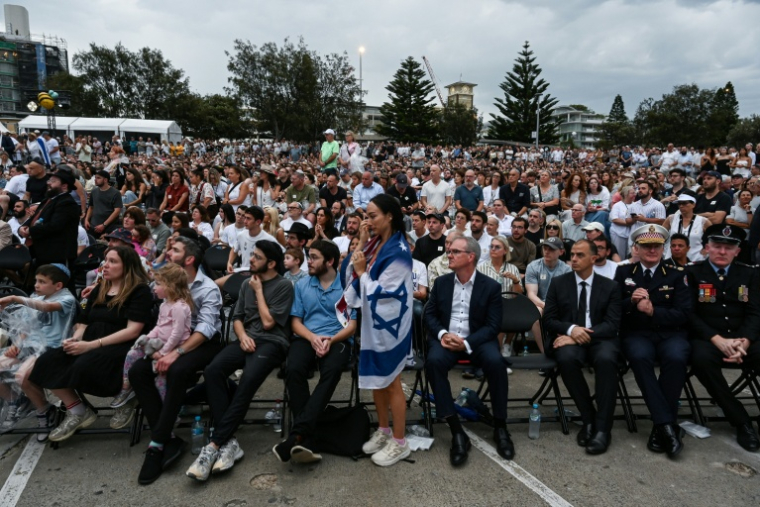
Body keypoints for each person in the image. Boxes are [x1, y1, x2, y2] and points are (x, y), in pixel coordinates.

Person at [186, 241, 293, 481]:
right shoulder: (246, 283)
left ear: (271, 263)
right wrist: (242, 336)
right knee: (213, 370)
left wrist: (258, 292)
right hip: (246, 340)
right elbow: (237, 317)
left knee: (248, 381)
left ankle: (213, 445)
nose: (251, 259)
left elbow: (268, 323)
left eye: (256, 256)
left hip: (272, 343)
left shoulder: (284, 286)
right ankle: (230, 442)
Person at [28, 247, 152, 442]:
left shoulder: (139, 290)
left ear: (127, 266)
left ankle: (124, 399)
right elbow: (83, 321)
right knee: (47, 361)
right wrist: (76, 338)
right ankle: (77, 410)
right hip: (90, 340)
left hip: (123, 344)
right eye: (105, 261)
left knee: (84, 365)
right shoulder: (101, 288)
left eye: (112, 262)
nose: (105, 266)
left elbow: (133, 330)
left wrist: (91, 345)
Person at [132, 237, 223, 485]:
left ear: (189, 259)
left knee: (176, 371)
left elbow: (205, 329)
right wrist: (156, 348)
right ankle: (169, 438)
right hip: (172, 340)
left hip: (201, 344)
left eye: (175, 250)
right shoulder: (168, 282)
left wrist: (176, 352)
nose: (168, 253)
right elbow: (163, 321)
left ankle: (157, 443)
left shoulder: (207, 287)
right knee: (138, 370)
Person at [425, 236, 513, 465]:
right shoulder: (442, 283)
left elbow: (493, 325)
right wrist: (444, 334)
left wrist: (465, 343)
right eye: (449, 251)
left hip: (476, 341)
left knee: (496, 362)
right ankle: (456, 431)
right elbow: (429, 315)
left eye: (455, 252)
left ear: (470, 257)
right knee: (433, 362)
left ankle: (501, 426)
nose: (449, 255)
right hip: (447, 340)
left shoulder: (490, 286)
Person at [272, 240, 357, 464]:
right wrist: (313, 338)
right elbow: (296, 322)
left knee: (332, 370)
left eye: (314, 257)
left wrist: (330, 339)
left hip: (337, 338)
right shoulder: (302, 285)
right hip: (307, 337)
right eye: (309, 256)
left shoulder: (347, 286)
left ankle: (297, 434)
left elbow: (352, 326)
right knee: (293, 368)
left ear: (329, 261)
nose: (308, 261)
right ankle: (305, 437)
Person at [344, 194, 413, 467]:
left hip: (390, 325)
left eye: (373, 216)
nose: (367, 221)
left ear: (390, 216)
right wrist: (360, 243)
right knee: (376, 378)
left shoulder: (399, 251)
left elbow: (386, 293)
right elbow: (350, 269)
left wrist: (362, 274)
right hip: (373, 324)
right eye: (366, 216)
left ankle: (399, 441)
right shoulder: (375, 242)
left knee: (392, 380)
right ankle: (384, 430)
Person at [614, 225, 691, 457]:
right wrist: (631, 303)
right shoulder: (624, 273)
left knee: (677, 357)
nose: (652, 250)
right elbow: (613, 308)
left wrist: (652, 311)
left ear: (663, 248)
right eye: (646, 246)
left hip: (670, 333)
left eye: (657, 246)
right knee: (638, 357)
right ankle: (668, 425)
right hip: (637, 333)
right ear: (636, 248)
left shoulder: (677, 273)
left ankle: (661, 427)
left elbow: (684, 313)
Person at [543, 239, 622, 455]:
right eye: (573, 255)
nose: (574, 259)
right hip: (569, 338)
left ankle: (603, 429)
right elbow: (549, 319)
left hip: (600, 339)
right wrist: (571, 330)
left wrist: (580, 334)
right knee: (566, 358)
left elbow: (612, 324)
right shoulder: (559, 283)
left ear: (594, 258)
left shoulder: (610, 286)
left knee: (607, 359)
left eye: (580, 255)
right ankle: (588, 418)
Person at [687, 224, 760, 452]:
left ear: (737, 251)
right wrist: (716, 339)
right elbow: (689, 314)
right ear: (707, 247)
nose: (722, 251)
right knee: (700, 359)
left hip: (743, 339)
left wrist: (745, 341)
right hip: (710, 340)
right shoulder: (693, 273)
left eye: (728, 248)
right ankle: (741, 421)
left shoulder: (749, 274)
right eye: (717, 246)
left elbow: (755, 312)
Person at [0, 264, 77, 438]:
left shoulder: (66, 299)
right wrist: (16, 345)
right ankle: (17, 401)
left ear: (58, 286)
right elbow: (26, 329)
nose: (36, 285)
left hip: (51, 349)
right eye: (36, 280)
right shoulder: (36, 296)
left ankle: (44, 411)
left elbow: (46, 308)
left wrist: (14, 298)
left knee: (22, 375)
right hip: (31, 348)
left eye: (42, 282)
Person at [110, 264, 193, 408]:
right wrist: (147, 337)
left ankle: (169, 410)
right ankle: (126, 388)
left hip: (173, 348)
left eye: (158, 284)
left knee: (160, 381)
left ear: (171, 286)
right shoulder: (163, 305)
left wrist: (163, 353)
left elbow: (177, 334)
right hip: (159, 344)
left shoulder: (180, 307)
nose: (154, 287)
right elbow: (159, 327)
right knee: (131, 353)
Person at [18, 169, 80, 267]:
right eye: (49, 180)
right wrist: (23, 227)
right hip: (42, 250)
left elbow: (54, 226)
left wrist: (30, 231)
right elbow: (34, 217)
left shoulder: (67, 203)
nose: (48, 183)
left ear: (64, 186)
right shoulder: (48, 200)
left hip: (57, 253)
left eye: (53, 181)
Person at [525, 237, 572, 352]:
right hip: (540, 303)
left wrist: (552, 307)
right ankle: (544, 353)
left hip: (558, 305)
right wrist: (544, 305)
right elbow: (531, 294)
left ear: (561, 252)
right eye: (545, 248)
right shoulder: (533, 266)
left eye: (551, 249)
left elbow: (566, 296)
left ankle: (561, 350)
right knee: (537, 316)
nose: (546, 251)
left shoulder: (567, 270)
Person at [218, 206, 281, 289]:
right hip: (242, 272)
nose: (245, 221)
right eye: (245, 218)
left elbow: (279, 259)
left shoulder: (268, 239)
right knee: (215, 284)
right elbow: (234, 250)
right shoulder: (241, 235)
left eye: (248, 219)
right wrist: (229, 262)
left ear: (258, 222)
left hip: (259, 276)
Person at [662, 191, 710, 262]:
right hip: (672, 259)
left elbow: (713, 239)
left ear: (693, 205)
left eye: (684, 203)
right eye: (679, 204)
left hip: (695, 259)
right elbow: (660, 236)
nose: (681, 206)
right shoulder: (671, 218)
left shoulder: (703, 221)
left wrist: (707, 250)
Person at [85, 169, 123, 238]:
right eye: (95, 178)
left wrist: (104, 225)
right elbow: (91, 207)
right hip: (93, 226)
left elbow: (117, 211)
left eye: (98, 178)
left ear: (105, 180)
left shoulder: (115, 193)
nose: (95, 180)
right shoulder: (94, 191)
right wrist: (86, 219)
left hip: (109, 227)